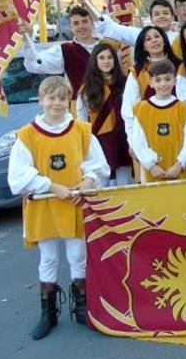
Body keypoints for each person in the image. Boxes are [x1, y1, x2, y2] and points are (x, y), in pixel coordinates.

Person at [7, 76, 110, 340]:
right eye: (51, 98)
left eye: (62, 98)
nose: (57, 103)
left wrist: (87, 181)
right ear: (41, 100)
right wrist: (52, 187)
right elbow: (18, 176)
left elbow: (98, 165)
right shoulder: (27, 135)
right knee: (49, 257)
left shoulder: (81, 130)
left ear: (69, 101)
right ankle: (48, 312)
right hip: (45, 205)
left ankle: (82, 307)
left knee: (78, 254)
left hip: (74, 202)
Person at [129, 59, 186, 184]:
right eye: (158, 80)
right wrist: (151, 165)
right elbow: (138, 143)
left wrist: (180, 164)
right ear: (151, 82)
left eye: (167, 79)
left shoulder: (183, 109)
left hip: (178, 171)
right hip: (152, 173)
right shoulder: (141, 109)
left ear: (174, 81)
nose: (163, 84)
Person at [19, 6, 106, 99]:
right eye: (76, 23)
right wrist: (28, 39)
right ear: (71, 28)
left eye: (84, 21)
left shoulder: (108, 45)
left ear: (92, 23)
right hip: (82, 105)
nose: (81, 26)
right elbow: (36, 63)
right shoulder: (65, 50)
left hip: (112, 104)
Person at [75, 43, 132, 186]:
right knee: (101, 181)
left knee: (124, 182)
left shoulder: (125, 83)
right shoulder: (87, 88)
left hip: (122, 136)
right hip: (99, 139)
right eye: (101, 58)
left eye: (109, 57)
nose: (106, 61)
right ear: (95, 61)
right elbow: (82, 118)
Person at [121, 26, 186, 141]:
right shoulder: (137, 72)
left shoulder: (180, 66)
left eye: (157, 36)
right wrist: (132, 140)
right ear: (143, 46)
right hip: (148, 129)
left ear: (164, 40)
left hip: (179, 126)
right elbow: (128, 109)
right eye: (148, 39)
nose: (154, 40)